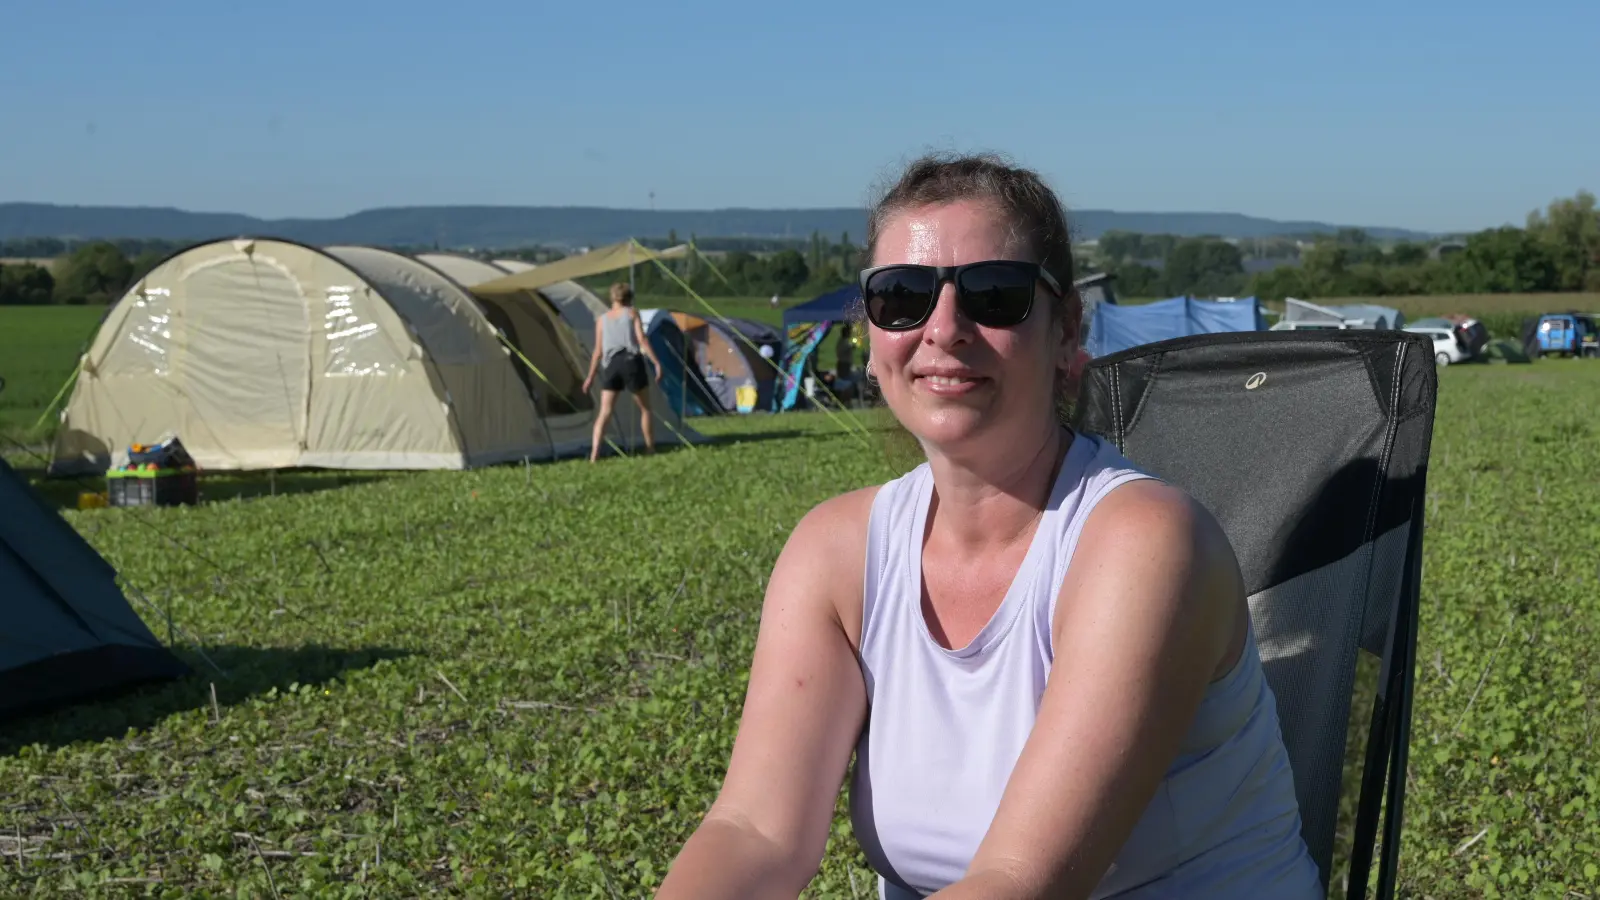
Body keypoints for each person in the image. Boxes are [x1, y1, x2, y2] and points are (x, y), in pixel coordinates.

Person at [654, 153, 1321, 899]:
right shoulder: (835, 553)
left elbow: (1019, 881)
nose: (943, 328)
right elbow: (755, 832)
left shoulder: (1143, 545)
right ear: (871, 337)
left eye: (994, 293)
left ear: (1066, 331)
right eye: (901, 296)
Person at [581, 283, 662, 462]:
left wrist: (590, 377)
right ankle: (650, 448)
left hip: (611, 366)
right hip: (631, 362)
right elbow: (642, 340)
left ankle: (595, 454)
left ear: (612, 298)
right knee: (645, 409)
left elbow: (598, 351)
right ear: (629, 298)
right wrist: (656, 362)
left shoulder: (602, 320)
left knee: (605, 412)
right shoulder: (632, 313)